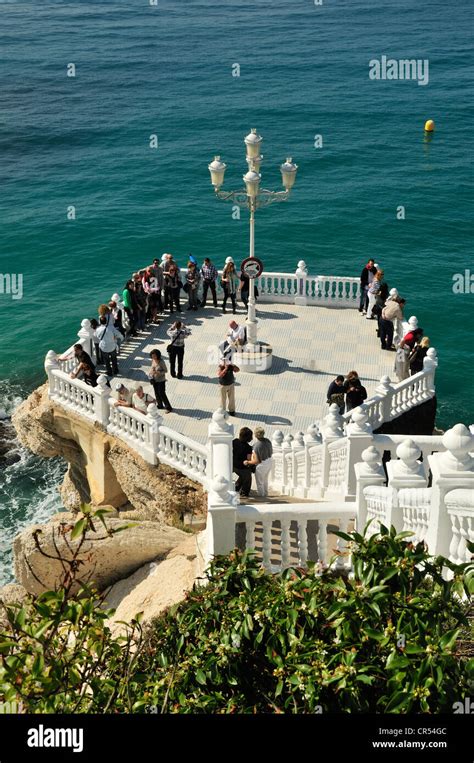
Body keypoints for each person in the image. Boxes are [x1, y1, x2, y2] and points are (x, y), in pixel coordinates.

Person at [244, 427, 273, 498]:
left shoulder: (256, 446)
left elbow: (257, 460)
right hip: (269, 462)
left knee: (260, 482)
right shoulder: (268, 441)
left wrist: (247, 462)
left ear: (255, 435)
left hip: (261, 465)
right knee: (265, 480)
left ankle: (262, 497)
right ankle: (265, 494)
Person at [232, 427, 254, 497]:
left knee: (243, 475)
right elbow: (248, 460)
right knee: (247, 475)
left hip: (232, 465)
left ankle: (236, 487)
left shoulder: (234, 441)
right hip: (241, 467)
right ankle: (244, 493)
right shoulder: (248, 448)